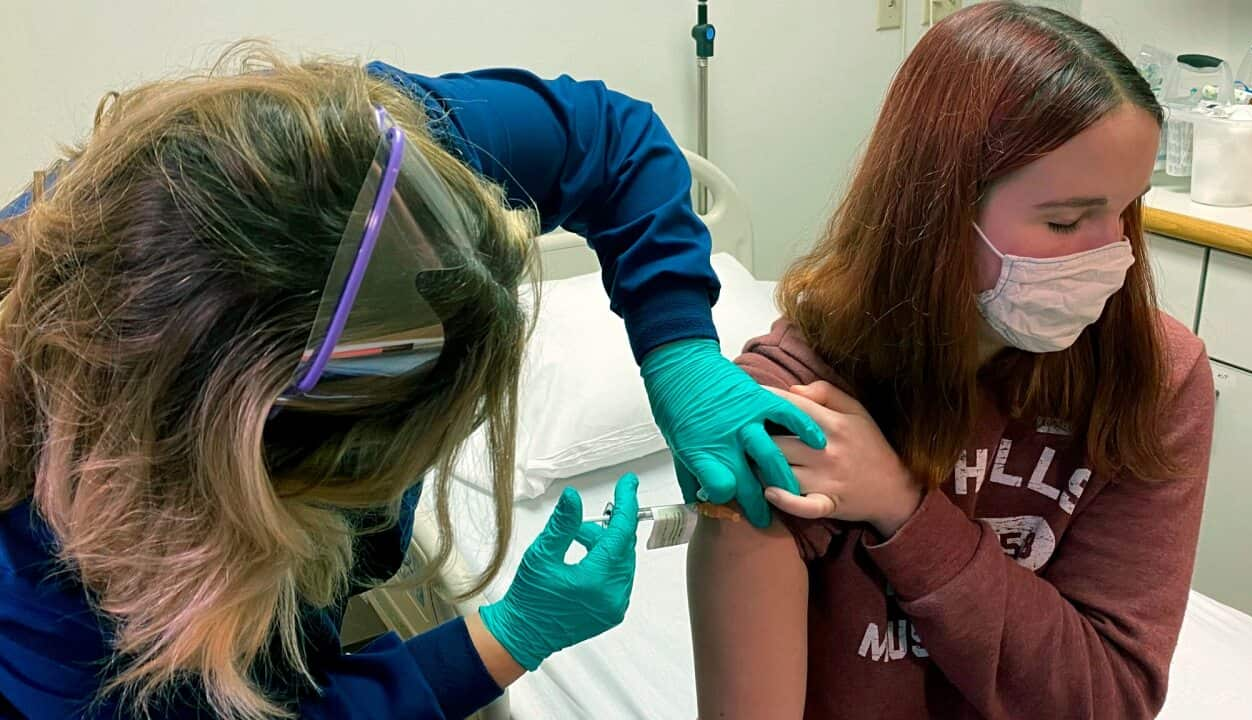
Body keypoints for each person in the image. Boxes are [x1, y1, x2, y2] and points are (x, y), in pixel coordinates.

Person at [0, 46, 817, 719]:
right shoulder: (52, 610)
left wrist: (678, 346)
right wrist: (504, 638)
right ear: (259, 482)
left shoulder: (360, 177)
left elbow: (613, 142)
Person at [687, 4, 1215, 719]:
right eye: (1065, 221)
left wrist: (904, 510)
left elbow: (1111, 699)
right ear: (936, 209)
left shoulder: (1157, 375)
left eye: (1126, 210)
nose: (1111, 256)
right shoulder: (791, 406)